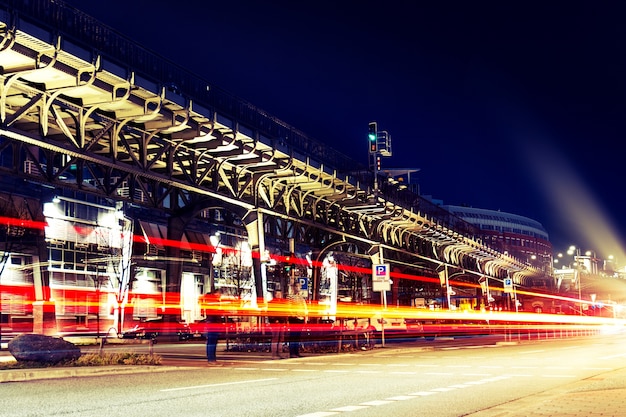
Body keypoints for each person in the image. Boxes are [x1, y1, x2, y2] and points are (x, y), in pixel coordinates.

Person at [286, 281, 308, 358]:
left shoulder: (301, 297)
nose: (298, 288)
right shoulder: (290, 296)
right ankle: (292, 353)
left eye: (299, 286)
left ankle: (296, 352)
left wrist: (305, 316)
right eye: (296, 286)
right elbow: (289, 307)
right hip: (294, 319)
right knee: (293, 336)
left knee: (298, 337)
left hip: (300, 318)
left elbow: (304, 307)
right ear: (294, 287)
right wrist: (294, 315)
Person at [203, 289, 222, 365]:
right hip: (213, 324)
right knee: (212, 342)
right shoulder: (214, 302)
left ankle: (211, 359)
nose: (220, 296)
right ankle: (211, 359)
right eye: (219, 294)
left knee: (211, 342)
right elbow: (215, 314)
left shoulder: (208, 301)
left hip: (211, 323)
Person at [268, 291, 286, 359]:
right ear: (275, 295)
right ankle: (274, 354)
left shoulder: (282, 303)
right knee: (275, 338)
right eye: (277, 294)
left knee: (281, 338)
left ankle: (279, 353)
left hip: (281, 322)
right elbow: (270, 313)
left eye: (280, 294)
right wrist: (275, 320)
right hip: (275, 323)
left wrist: (284, 321)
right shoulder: (271, 303)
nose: (279, 295)